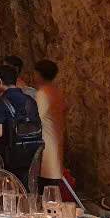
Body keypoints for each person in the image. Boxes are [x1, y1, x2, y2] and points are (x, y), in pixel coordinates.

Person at [0, 64, 43, 180]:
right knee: (24, 184)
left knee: (6, 185)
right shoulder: (30, 100)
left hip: (9, 154)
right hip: (31, 151)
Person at [34, 59, 66, 191]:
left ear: (39, 74)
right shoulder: (57, 92)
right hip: (57, 142)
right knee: (53, 187)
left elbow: (36, 119)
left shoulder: (42, 94)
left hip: (46, 146)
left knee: (45, 190)